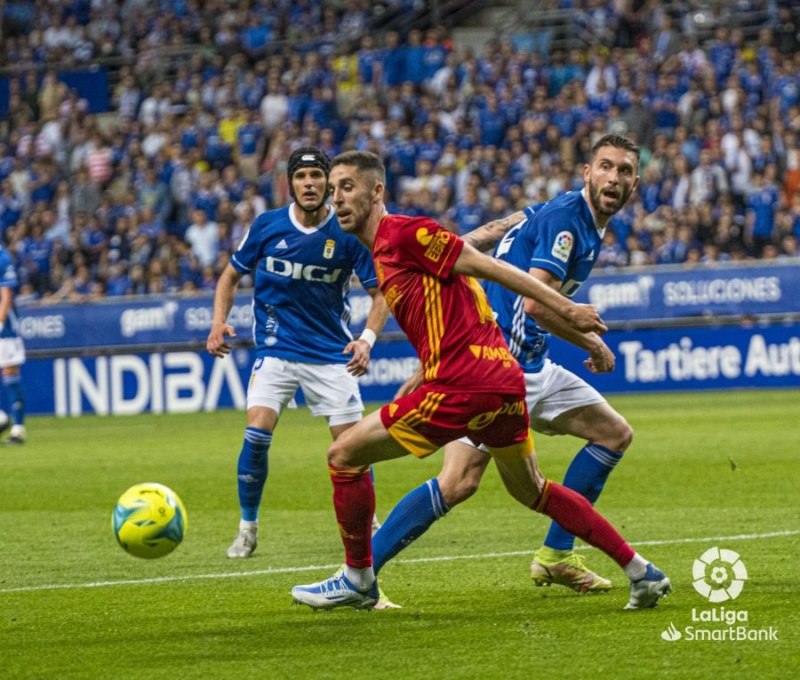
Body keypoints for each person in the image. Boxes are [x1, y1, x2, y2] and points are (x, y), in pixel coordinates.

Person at [290, 150, 671, 611]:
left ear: (376, 191)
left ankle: (357, 578)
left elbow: (487, 266)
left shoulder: (404, 233)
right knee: (533, 490)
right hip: (504, 381)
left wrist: (567, 309)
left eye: (347, 187)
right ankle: (640, 572)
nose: (337, 199)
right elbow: (469, 277)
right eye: (333, 191)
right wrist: (422, 371)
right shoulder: (394, 250)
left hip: (464, 386)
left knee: (344, 454)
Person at [370, 134, 644, 596]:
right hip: (503, 366)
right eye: (605, 166)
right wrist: (591, 342)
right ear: (587, 173)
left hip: (526, 362)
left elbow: (503, 225)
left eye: (623, 170)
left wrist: (455, 247)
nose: (613, 177)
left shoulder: (560, 209)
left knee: (613, 433)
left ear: (635, 182)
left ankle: (557, 556)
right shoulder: (568, 224)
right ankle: (360, 570)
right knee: (457, 482)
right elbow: (539, 304)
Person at [206, 147, 389, 559]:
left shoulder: (347, 233)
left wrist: (366, 340)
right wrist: (218, 322)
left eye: (316, 176)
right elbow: (230, 276)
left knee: (354, 448)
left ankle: (369, 523)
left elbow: (381, 295)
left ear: (329, 182)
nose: (309, 183)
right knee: (256, 435)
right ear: (290, 183)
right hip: (277, 351)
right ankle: (247, 528)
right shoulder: (267, 226)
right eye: (301, 176)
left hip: (330, 355)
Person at [0, 243, 26, 444]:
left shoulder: (3, 258)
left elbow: (6, 295)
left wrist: (0, 323)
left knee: (10, 375)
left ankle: (18, 429)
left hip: (6, 329)